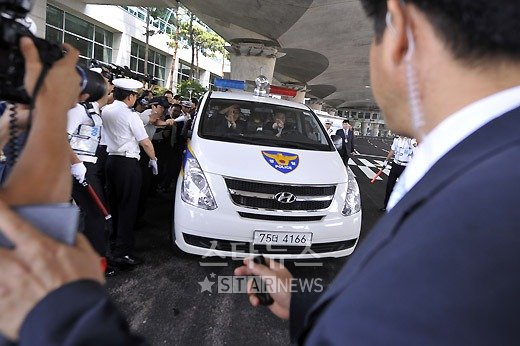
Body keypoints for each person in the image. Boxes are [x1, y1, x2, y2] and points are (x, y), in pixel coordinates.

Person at [2, 0, 520, 344]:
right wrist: (306, 302)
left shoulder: (480, 213)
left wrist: (62, 313)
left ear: (401, 32)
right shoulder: (488, 172)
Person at [101, 78, 158, 268]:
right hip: (127, 163)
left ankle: (113, 244)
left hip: (111, 160)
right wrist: (153, 159)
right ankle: (122, 252)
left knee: (115, 205)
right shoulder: (130, 114)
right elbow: (145, 141)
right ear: (131, 96)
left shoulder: (106, 110)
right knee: (128, 207)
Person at [379, 136, 417, 211]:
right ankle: (386, 205)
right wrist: (386, 161)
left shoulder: (411, 141)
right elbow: (392, 151)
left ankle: (404, 207)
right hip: (395, 164)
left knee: (404, 188)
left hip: (405, 167)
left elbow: (417, 153)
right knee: (389, 186)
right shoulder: (397, 140)